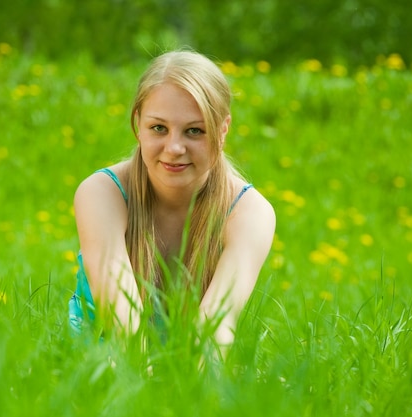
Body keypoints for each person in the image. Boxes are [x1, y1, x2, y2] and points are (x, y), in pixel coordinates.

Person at [68, 50, 276, 357]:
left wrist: (192, 396)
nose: (174, 148)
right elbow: (122, 322)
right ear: (138, 124)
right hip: (100, 368)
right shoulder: (102, 193)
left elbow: (215, 328)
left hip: (193, 373)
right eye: (159, 128)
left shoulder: (248, 212)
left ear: (223, 130)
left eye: (195, 131)